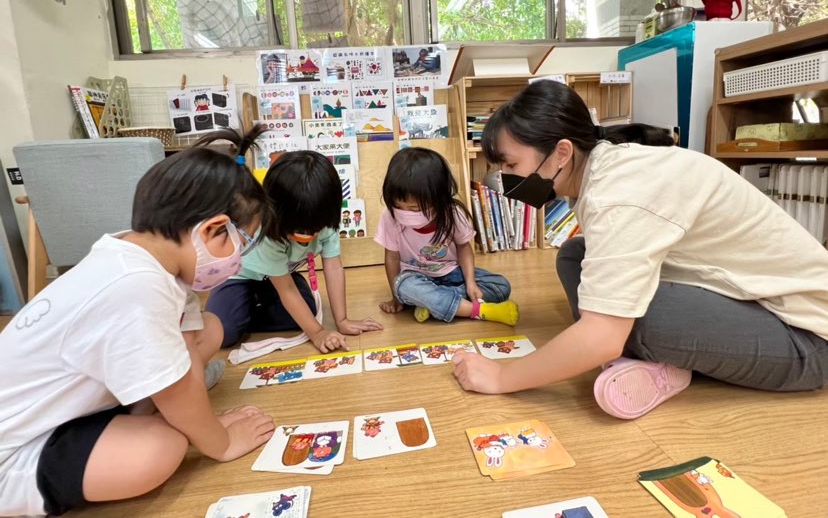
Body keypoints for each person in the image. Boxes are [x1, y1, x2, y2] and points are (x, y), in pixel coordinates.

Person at [451, 80, 828, 419]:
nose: (506, 181)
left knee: (628, 321)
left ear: (562, 153)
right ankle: (659, 362)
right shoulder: (605, 168)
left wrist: (503, 375)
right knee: (574, 257)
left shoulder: (619, 195)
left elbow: (602, 335)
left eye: (512, 165)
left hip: (806, 338)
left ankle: (657, 362)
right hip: (744, 300)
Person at [0, 128, 276, 517]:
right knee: (161, 449)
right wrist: (220, 440)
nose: (237, 259)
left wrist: (203, 418)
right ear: (212, 229)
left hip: (69, 409)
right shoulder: (136, 285)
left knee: (210, 328)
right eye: (239, 243)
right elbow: (178, 390)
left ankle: (147, 421)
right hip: (17, 454)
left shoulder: (139, 255)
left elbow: (189, 343)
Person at [207, 150, 383, 352]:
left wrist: (342, 320)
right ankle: (238, 310)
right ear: (273, 210)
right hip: (239, 277)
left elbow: (333, 266)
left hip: (279, 277)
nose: (306, 236)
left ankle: (247, 309)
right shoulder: (268, 230)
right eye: (297, 230)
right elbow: (287, 290)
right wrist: (317, 333)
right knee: (225, 332)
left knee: (306, 313)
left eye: (313, 230)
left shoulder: (325, 218)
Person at [376, 147, 518, 325]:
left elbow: (464, 247)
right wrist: (395, 296)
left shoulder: (453, 213)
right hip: (415, 276)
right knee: (403, 287)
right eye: (399, 206)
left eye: (415, 209)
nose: (406, 213)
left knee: (501, 285)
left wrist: (471, 282)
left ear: (439, 198)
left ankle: (432, 303)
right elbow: (392, 257)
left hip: (452, 273)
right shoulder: (390, 217)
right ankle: (476, 310)